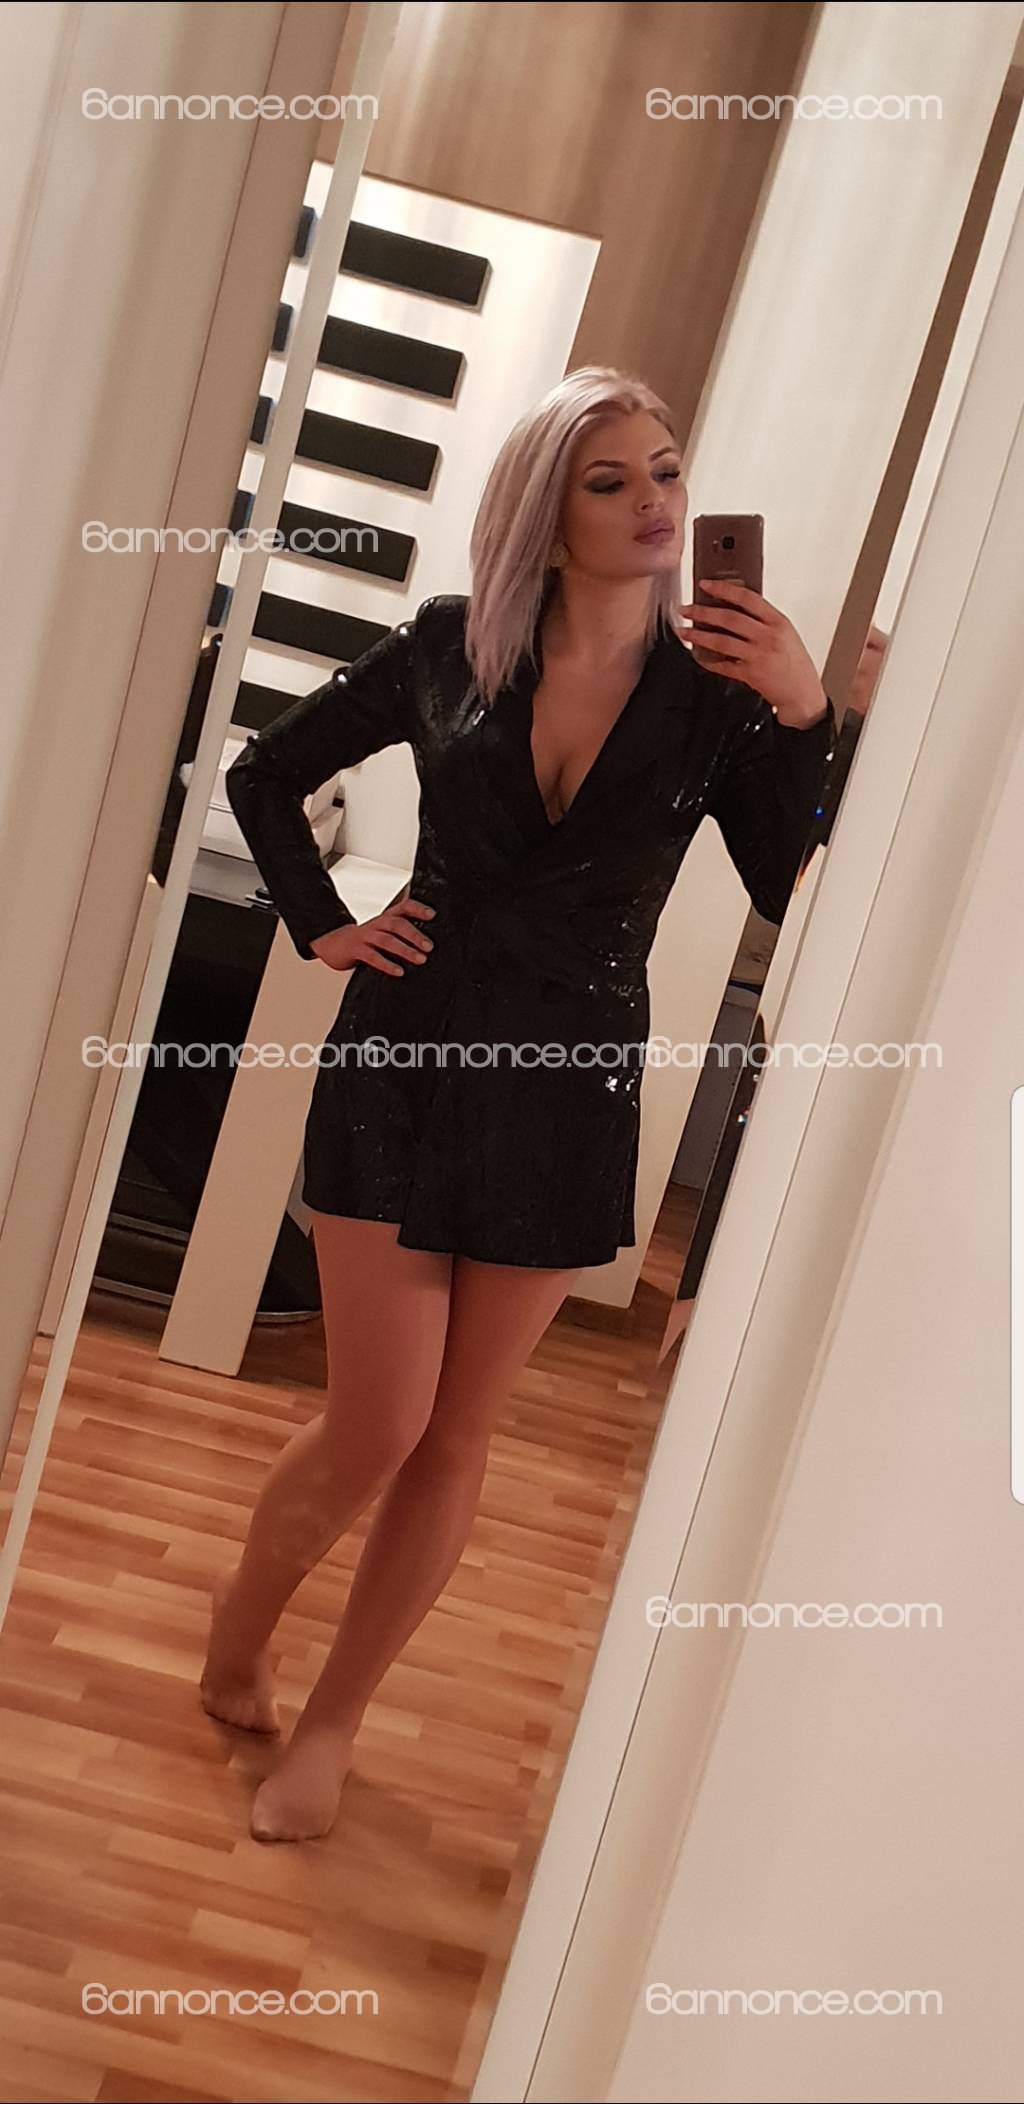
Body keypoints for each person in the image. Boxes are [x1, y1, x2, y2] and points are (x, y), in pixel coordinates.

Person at [203, 365, 836, 1842]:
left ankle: (335, 1723)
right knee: (376, 1423)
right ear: (548, 517)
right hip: (405, 1055)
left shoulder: (721, 700)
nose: (657, 503)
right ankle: (241, 1623)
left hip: (569, 1085)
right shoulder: (451, 646)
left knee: (456, 1435)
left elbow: (787, 873)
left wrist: (808, 711)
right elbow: (265, 772)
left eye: (667, 471)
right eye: (611, 482)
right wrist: (322, 924)